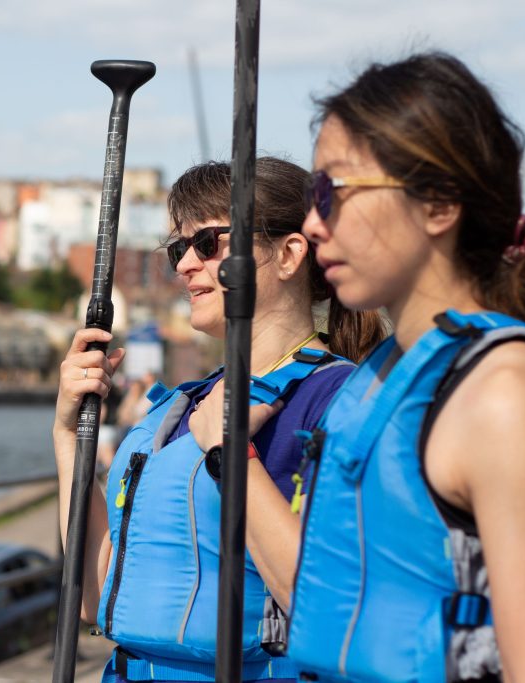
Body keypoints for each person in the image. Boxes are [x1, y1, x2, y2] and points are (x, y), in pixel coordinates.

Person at [52, 158, 386, 682]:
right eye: (177, 250)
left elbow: (336, 607)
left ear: (289, 254)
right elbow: (96, 596)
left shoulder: (338, 402)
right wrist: (71, 438)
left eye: (208, 243)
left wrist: (231, 459)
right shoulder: (180, 410)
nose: (186, 265)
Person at [287, 52, 525, 683]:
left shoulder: (502, 392)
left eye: (333, 192)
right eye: (308, 194)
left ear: (438, 204)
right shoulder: (384, 374)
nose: (310, 223)